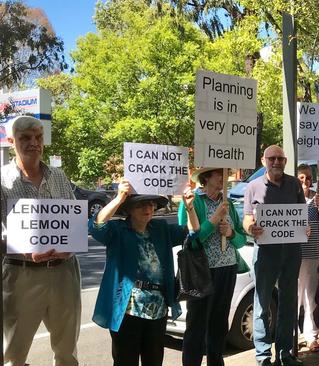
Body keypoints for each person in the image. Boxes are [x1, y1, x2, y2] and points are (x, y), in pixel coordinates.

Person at [89, 179, 200, 365]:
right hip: (127, 310)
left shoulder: (161, 229)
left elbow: (193, 233)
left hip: (158, 310)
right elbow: (96, 226)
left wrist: (189, 207)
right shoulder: (117, 230)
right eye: (141, 203)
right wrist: (119, 198)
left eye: (151, 203)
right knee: (125, 361)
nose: (147, 207)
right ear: (130, 209)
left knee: (154, 361)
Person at [1, 115, 82, 366]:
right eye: (25, 138)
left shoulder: (59, 176)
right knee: (14, 354)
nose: (33, 143)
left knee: (67, 352)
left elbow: (71, 220)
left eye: (38, 137)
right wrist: (22, 248)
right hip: (20, 273)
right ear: (11, 141)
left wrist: (72, 243)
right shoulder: (2, 180)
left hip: (64, 272)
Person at [243, 145, 306, 366]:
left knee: (288, 303)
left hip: (291, 251)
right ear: (263, 161)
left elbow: (302, 214)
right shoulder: (253, 186)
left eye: (281, 158)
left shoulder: (295, 184)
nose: (277, 162)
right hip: (266, 252)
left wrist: (303, 227)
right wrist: (251, 228)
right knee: (262, 304)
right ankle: (263, 357)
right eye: (272, 158)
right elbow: (247, 219)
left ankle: (285, 353)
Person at [179, 167, 248, 366]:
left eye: (226, 174)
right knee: (196, 325)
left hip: (227, 269)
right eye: (220, 174)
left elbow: (241, 241)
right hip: (202, 272)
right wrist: (215, 218)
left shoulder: (229, 205)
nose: (224, 178)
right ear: (206, 177)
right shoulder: (193, 202)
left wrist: (232, 234)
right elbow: (191, 240)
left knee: (219, 324)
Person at [296, 163, 319, 352]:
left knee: (311, 298)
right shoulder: (289, 198)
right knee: (294, 297)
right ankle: (291, 336)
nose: (305, 181)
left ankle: (311, 336)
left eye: (308, 177)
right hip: (293, 255)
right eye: (301, 177)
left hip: (314, 254)